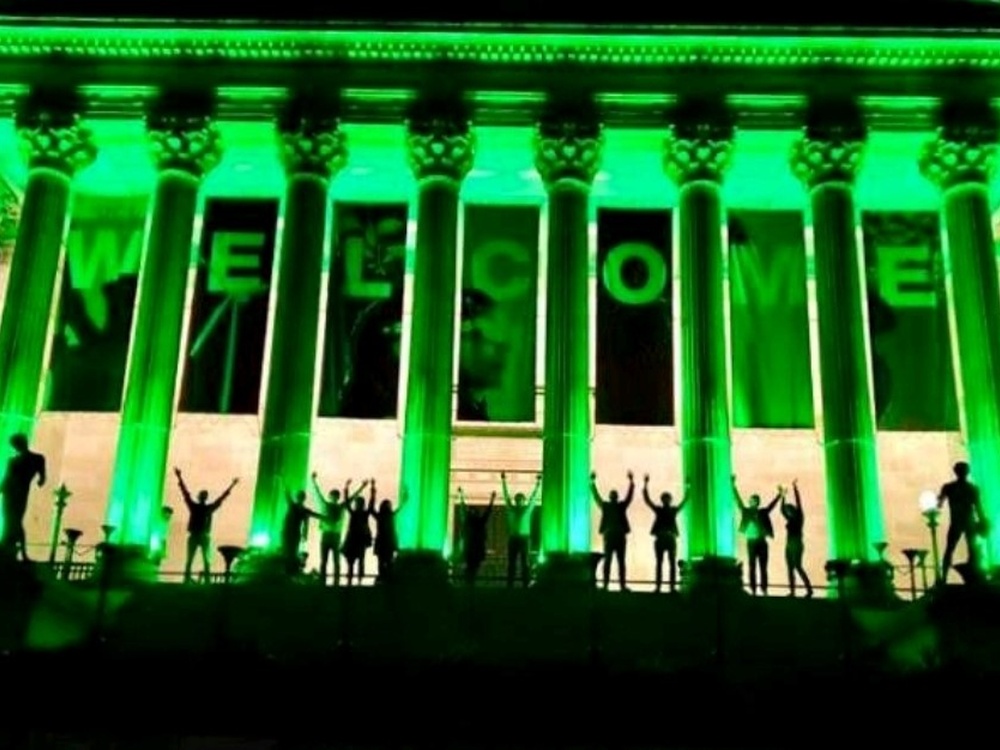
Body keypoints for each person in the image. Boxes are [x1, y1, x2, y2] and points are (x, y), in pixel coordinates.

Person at [173, 467, 237, 583]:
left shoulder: (197, 508)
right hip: (202, 535)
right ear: (204, 497)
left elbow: (185, 494)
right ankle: (203, 580)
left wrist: (179, 477)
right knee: (202, 560)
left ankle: (189, 579)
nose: (203, 497)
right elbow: (220, 499)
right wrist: (232, 486)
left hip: (198, 535)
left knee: (194, 559)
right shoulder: (206, 509)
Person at [311, 474, 368, 586]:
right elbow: (318, 494)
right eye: (333, 496)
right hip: (330, 535)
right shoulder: (332, 506)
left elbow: (351, 498)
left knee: (331, 560)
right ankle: (328, 581)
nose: (333, 498)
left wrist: (362, 487)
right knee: (328, 560)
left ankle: (330, 581)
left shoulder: (331, 506)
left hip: (331, 535)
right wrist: (313, 481)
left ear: (334, 497)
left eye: (334, 496)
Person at [938, 461, 989, 582]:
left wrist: (983, 521)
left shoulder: (951, 487)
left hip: (963, 522)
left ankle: (945, 577)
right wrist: (983, 521)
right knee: (955, 549)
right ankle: (945, 577)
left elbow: (978, 507)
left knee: (955, 549)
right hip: (963, 522)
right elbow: (979, 509)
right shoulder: (967, 488)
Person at [0, 433, 45, 561]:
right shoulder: (37, 459)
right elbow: (42, 480)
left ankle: (16, 551)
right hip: (15, 494)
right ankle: (16, 551)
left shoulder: (15, 461)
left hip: (13, 494)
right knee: (13, 522)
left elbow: (6, 480)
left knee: (14, 521)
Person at [733, 476, 780, 595]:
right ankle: (753, 589)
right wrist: (733, 486)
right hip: (752, 542)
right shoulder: (747, 511)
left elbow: (771, 506)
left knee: (763, 567)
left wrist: (779, 495)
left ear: (757, 502)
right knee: (752, 566)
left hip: (761, 542)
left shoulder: (762, 512)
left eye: (753, 500)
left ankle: (764, 589)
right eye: (751, 500)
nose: (751, 501)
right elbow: (738, 501)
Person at [642, 475, 688, 593]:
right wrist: (645, 485)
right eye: (665, 499)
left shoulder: (666, 510)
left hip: (666, 537)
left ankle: (667, 587)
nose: (666, 500)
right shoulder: (668, 510)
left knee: (668, 563)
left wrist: (688, 487)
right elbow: (648, 500)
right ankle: (662, 587)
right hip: (667, 537)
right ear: (664, 500)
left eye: (667, 499)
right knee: (662, 562)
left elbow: (684, 501)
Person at [591, 471, 635, 591]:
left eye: (614, 495)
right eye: (613, 495)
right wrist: (592, 483)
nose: (614, 496)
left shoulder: (610, 506)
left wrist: (631, 483)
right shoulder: (613, 506)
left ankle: (611, 585)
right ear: (613, 497)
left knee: (616, 561)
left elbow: (597, 497)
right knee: (614, 561)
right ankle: (613, 585)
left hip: (612, 534)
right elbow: (597, 497)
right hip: (614, 534)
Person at [501, 471, 541, 587]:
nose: (519, 502)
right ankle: (510, 584)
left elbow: (533, 498)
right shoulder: (511, 509)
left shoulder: (526, 510)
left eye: (521, 500)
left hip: (524, 538)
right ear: (516, 501)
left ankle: (525, 583)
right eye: (518, 500)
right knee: (512, 563)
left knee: (525, 563)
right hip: (514, 538)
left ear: (523, 501)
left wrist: (538, 484)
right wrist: (503, 481)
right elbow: (506, 496)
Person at [280, 480, 322, 576]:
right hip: (291, 533)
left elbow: (287, 494)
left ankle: (289, 571)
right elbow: (314, 516)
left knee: (289, 551)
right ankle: (289, 571)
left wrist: (283, 481)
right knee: (290, 551)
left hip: (289, 532)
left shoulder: (294, 506)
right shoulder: (300, 509)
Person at [781, 479, 813, 598]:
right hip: (789, 545)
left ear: (793, 510)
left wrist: (795, 488)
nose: (788, 512)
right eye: (788, 511)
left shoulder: (799, 517)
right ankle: (792, 591)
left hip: (797, 544)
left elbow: (799, 503)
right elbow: (782, 510)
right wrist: (783, 497)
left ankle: (809, 589)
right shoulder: (789, 519)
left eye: (790, 510)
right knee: (790, 568)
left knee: (798, 567)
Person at [457, 487, 495, 585]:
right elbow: (488, 512)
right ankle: (470, 582)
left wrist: (461, 495)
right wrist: (492, 499)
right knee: (473, 568)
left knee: (471, 568)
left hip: (471, 548)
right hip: (475, 548)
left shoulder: (469, 521)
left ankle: (469, 582)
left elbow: (463, 508)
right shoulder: (478, 522)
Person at [372, 481, 406, 583]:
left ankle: (384, 577)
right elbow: (401, 507)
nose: (389, 507)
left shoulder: (382, 516)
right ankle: (386, 578)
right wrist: (373, 491)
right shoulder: (390, 516)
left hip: (384, 542)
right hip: (387, 542)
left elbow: (371, 508)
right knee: (385, 561)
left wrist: (373, 492)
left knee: (383, 561)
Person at [343, 483, 375, 585]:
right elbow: (371, 504)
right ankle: (358, 580)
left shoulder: (354, 513)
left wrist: (346, 488)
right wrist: (373, 490)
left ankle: (351, 580)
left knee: (352, 561)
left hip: (354, 540)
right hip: (359, 540)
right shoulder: (363, 513)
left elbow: (348, 503)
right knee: (359, 561)